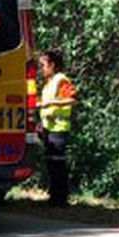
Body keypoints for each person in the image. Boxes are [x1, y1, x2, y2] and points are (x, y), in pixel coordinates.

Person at [37, 50, 77, 207]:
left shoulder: (60, 80)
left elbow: (72, 99)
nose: (41, 69)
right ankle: (54, 195)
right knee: (51, 163)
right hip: (48, 128)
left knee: (57, 163)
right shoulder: (49, 82)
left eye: (43, 65)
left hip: (59, 128)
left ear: (52, 65)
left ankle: (60, 198)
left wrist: (49, 104)